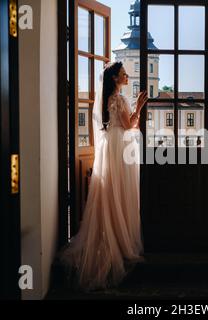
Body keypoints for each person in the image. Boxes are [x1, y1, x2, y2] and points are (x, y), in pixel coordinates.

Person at [60, 61, 148, 291]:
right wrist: (139, 106)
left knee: (111, 191)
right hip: (119, 147)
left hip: (110, 147)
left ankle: (112, 236)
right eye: (123, 74)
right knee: (120, 190)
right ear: (114, 79)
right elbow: (129, 125)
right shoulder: (118, 99)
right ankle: (120, 240)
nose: (127, 76)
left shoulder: (107, 99)